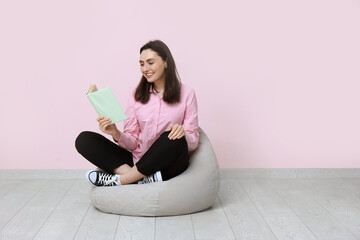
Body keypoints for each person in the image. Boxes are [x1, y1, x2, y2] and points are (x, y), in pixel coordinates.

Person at [75, 40, 199, 187]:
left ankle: (122, 180)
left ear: (166, 62)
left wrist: (182, 133)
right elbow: (133, 142)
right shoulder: (136, 94)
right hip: (138, 162)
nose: (145, 68)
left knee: (172, 137)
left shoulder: (187, 93)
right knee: (84, 140)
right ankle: (139, 179)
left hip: (168, 164)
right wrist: (116, 133)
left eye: (150, 63)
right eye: (141, 64)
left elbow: (194, 141)